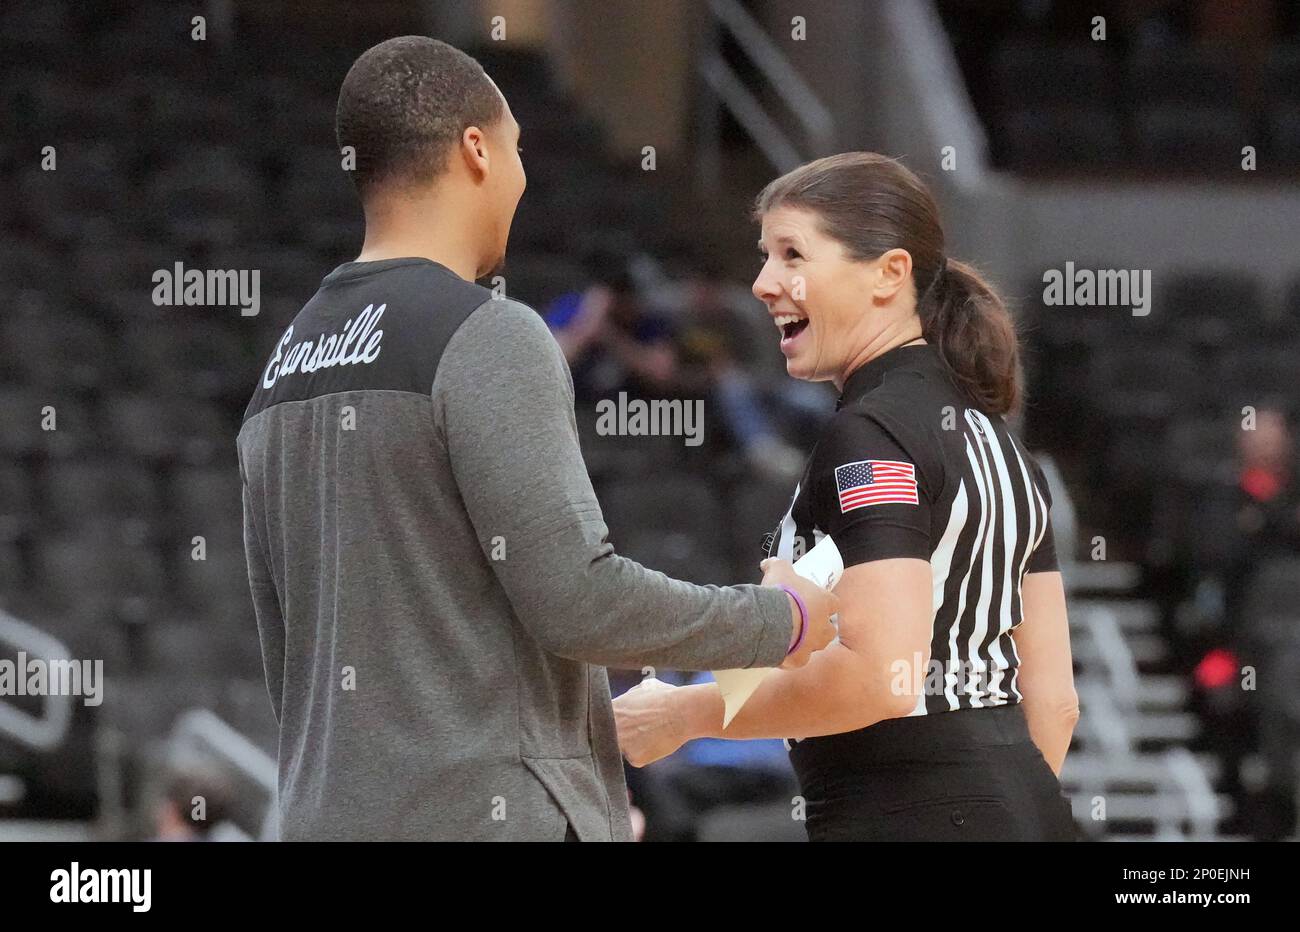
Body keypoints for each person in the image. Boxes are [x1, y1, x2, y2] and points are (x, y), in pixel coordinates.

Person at [235, 36, 837, 842]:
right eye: (518, 149)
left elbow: (289, 663)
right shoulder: (486, 335)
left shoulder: (281, 372)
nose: (522, 182)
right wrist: (783, 621)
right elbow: (578, 598)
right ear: (476, 150)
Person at [614, 152, 1079, 841]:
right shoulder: (998, 444)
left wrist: (689, 715)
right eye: (766, 255)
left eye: (793, 254)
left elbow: (881, 679)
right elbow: (1056, 703)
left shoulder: (871, 432)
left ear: (890, 274)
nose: (765, 283)